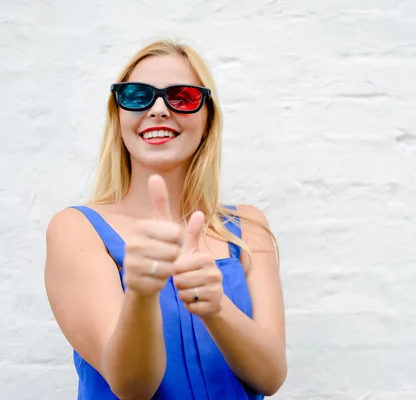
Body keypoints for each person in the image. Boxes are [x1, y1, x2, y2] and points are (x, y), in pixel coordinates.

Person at [44, 39, 287, 400]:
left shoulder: (247, 228)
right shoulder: (76, 228)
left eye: (183, 97)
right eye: (137, 95)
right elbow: (132, 386)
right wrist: (141, 294)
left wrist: (217, 307)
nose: (158, 109)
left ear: (208, 118)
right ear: (119, 116)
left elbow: (270, 377)